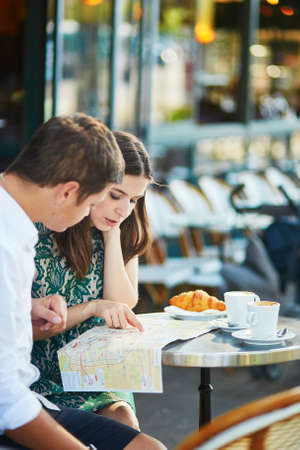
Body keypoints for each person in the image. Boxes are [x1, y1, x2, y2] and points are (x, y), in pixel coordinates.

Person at [0, 113, 166, 450]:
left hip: (45, 391)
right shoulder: (18, 237)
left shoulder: (18, 229)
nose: (122, 211)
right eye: (98, 200)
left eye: (133, 201)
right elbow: (9, 400)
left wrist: (29, 307)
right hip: (29, 394)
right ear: (68, 191)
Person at [31, 131, 153, 431]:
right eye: (115, 195)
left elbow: (122, 302)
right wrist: (91, 307)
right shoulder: (45, 230)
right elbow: (31, 327)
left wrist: (112, 235)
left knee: (124, 420)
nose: (124, 210)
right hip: (39, 372)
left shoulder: (124, 228)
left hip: (96, 373)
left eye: (134, 199)